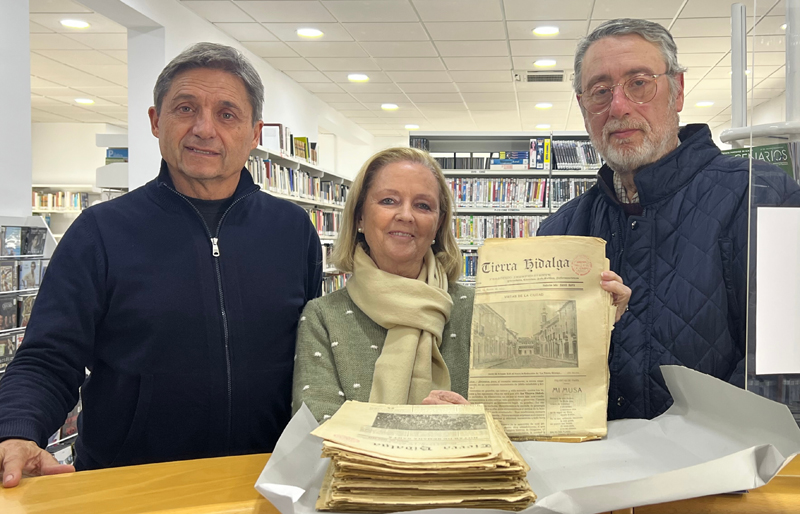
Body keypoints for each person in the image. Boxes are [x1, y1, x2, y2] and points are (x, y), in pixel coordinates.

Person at [0, 42, 322, 487]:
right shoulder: (100, 232)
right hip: (130, 485)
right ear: (155, 121)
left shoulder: (292, 230)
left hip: (266, 481)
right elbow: (48, 356)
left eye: (227, 114)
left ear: (253, 134)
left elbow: (310, 355)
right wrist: (16, 430)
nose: (204, 129)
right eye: (185, 108)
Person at [538, 19, 800, 420]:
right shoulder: (559, 231)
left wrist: (685, 446)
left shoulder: (764, 196)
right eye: (600, 91)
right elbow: (539, 378)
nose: (618, 106)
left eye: (639, 83)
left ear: (676, 90)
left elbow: (783, 373)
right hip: (590, 459)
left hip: (725, 459)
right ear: (583, 107)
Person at [292, 147, 631, 422]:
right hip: (367, 486)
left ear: (438, 223)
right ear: (359, 217)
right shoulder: (323, 317)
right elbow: (317, 431)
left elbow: (539, 410)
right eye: (388, 200)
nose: (406, 215)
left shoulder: (479, 307)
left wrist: (597, 327)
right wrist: (414, 427)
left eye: (423, 205)